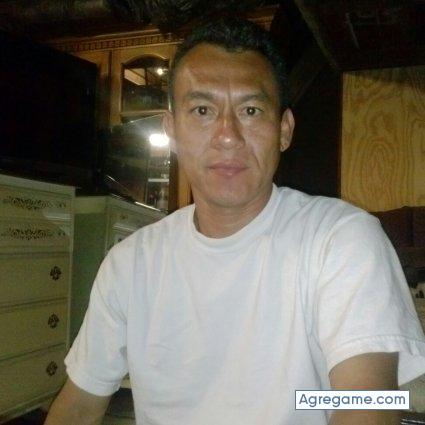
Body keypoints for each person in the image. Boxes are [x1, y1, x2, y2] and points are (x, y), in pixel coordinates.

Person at [44, 17, 425, 425]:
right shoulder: (130, 263)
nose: (228, 135)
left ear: (284, 130)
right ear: (172, 131)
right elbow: (79, 405)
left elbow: (368, 404)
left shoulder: (340, 239)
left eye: (250, 110)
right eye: (202, 110)